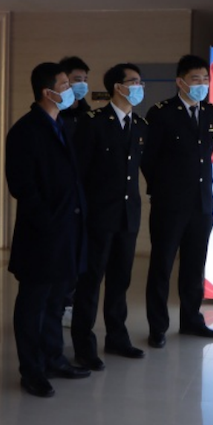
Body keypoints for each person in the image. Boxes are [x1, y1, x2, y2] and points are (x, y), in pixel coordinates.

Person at [6, 62, 90, 398]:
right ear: (47, 92)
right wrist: (49, 222)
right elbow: (22, 186)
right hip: (41, 234)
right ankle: (31, 370)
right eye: (64, 84)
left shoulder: (61, 124)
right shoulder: (26, 130)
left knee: (57, 302)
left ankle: (54, 358)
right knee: (33, 304)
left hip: (67, 230)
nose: (70, 90)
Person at [71, 63, 149, 370]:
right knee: (90, 283)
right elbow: (79, 172)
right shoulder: (93, 123)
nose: (140, 87)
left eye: (140, 82)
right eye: (134, 82)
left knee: (120, 280)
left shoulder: (140, 125)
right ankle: (84, 345)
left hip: (128, 216)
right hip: (98, 217)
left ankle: (117, 337)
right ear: (118, 87)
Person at [141, 54, 213, 349]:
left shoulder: (210, 112)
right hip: (170, 204)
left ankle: (191, 320)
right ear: (180, 82)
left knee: (194, 266)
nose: (202, 84)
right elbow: (148, 159)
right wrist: (163, 190)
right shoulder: (161, 113)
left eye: (205, 79)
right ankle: (158, 327)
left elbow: (205, 154)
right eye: (195, 79)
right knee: (162, 266)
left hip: (202, 203)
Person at [57, 56, 91, 327]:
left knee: (83, 254)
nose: (82, 85)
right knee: (64, 253)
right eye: (76, 80)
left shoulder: (89, 116)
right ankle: (62, 304)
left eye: (85, 80)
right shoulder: (56, 117)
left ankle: (75, 302)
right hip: (64, 198)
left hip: (87, 196)